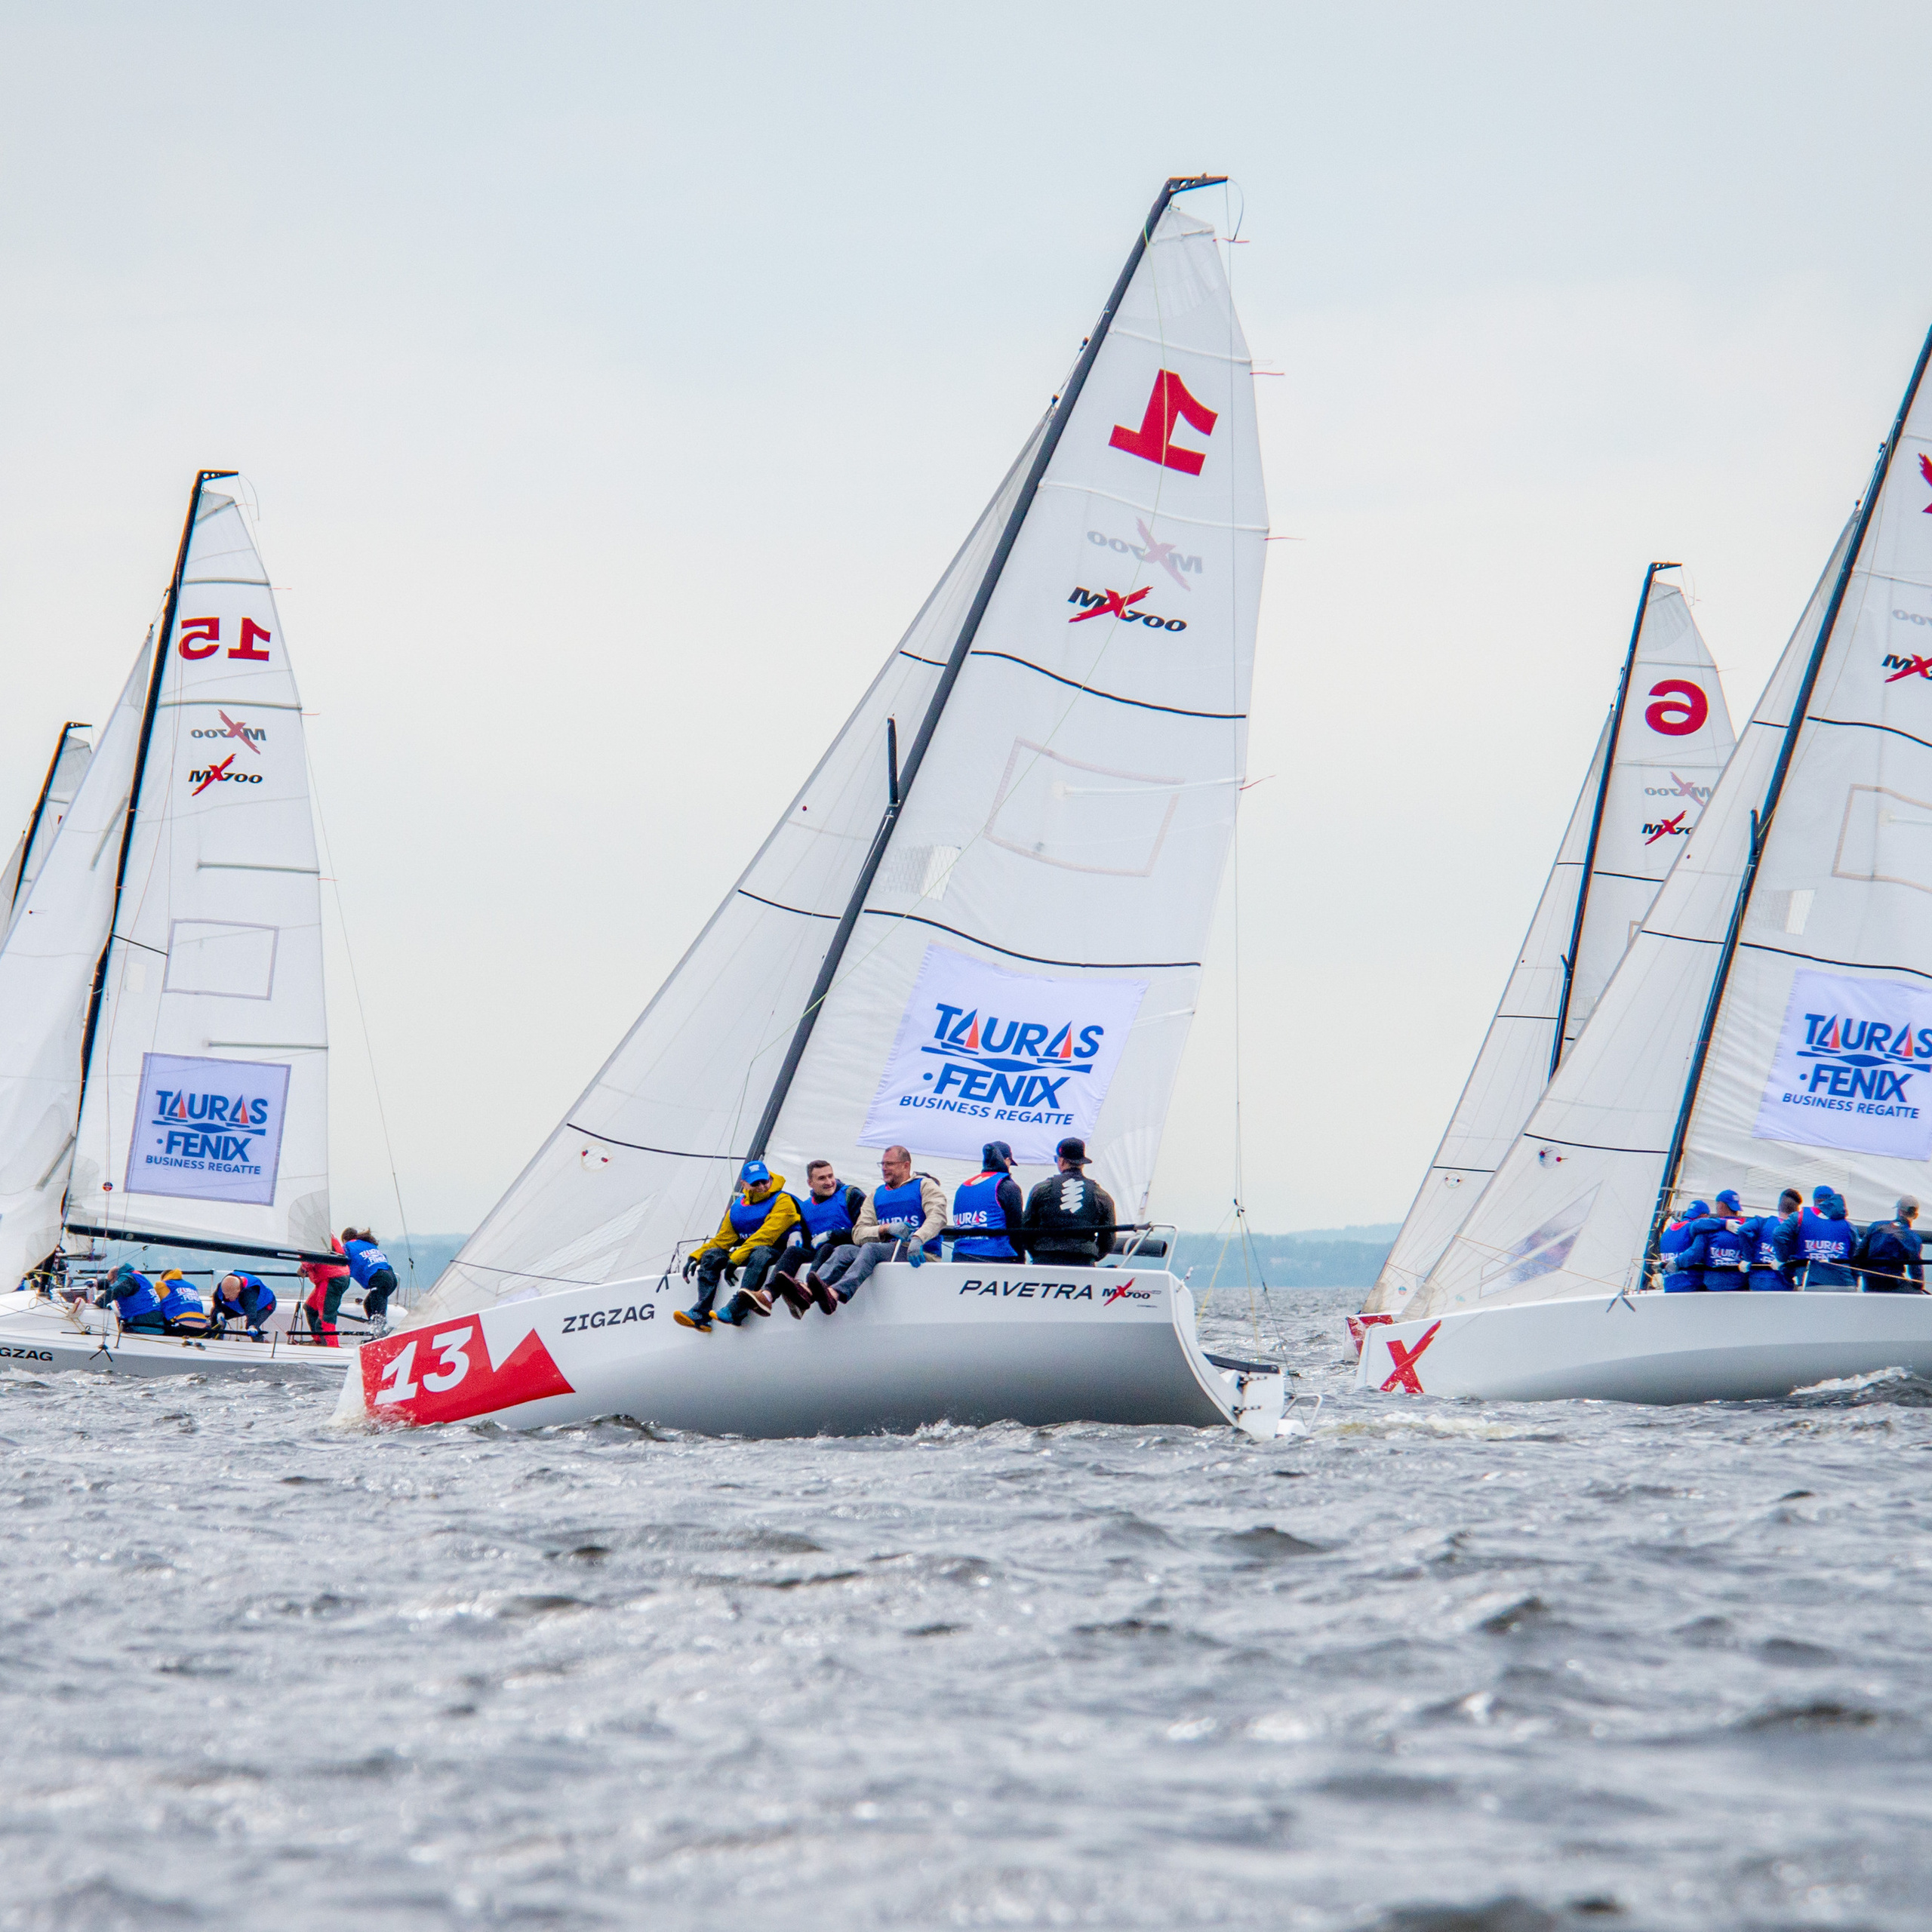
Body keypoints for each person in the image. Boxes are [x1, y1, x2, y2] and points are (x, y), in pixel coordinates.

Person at [805, 1146, 946, 1307]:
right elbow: (858, 1233)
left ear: (906, 1165)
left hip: (920, 1253)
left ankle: (836, 1294)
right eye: (883, 1164)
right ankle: (809, 1292)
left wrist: (918, 1237)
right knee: (843, 1250)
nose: (884, 1169)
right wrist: (885, 1229)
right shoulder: (876, 1194)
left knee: (871, 1249)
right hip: (887, 1251)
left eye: (890, 1164)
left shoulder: (924, 1185)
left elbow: (938, 1216)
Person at [677, 1160, 801, 1331]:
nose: (762, 1186)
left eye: (765, 1181)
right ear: (743, 1184)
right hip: (749, 1252)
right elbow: (722, 1241)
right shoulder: (737, 1208)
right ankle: (701, 1314)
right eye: (755, 1183)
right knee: (712, 1255)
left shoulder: (783, 1201)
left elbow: (765, 1236)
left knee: (760, 1252)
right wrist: (696, 1256)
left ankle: (737, 1309)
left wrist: (736, 1259)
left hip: (779, 1252)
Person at [764, 1160, 866, 1318]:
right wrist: (794, 1233)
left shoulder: (851, 1195)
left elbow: (865, 1231)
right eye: (822, 1179)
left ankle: (807, 1290)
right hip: (819, 1255)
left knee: (828, 1246)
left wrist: (832, 1235)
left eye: (830, 1176)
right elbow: (806, 1242)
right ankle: (768, 1295)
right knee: (793, 1252)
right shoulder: (806, 1207)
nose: (829, 1182)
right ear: (810, 1183)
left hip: (846, 1253)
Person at [1022, 1137, 1117, 1264]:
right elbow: (1108, 1240)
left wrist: (1038, 1253)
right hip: (1083, 1260)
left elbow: (1026, 1229)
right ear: (1082, 1163)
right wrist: (1091, 1254)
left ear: (1061, 1161)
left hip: (1046, 1258)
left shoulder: (1041, 1189)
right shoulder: (1101, 1195)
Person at [951, 1141, 1025, 1262]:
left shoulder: (964, 1186)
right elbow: (1016, 1228)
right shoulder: (1007, 1186)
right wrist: (1020, 1260)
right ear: (1006, 1161)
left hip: (960, 1256)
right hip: (995, 1258)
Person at [1739, 1189, 1804, 1291]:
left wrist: (1747, 1258)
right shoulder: (1797, 1229)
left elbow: (1743, 1230)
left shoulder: (1763, 1223)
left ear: (1779, 1207)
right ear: (1796, 1211)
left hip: (1758, 1280)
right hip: (1782, 1282)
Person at [1686, 1189, 1750, 1291]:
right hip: (1741, 1287)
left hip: (1713, 1287)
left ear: (1720, 1205)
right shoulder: (1749, 1228)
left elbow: (1694, 1253)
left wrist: (1676, 1263)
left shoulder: (1708, 1229)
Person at [1798, 1187, 1860, 1291]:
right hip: (1845, 1283)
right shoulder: (1849, 1226)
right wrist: (1855, 1279)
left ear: (1815, 1201)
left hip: (1815, 1284)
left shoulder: (1805, 1224)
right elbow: (1856, 1256)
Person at [1860, 1196, 1924, 1293]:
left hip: (1870, 1281)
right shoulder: (1913, 1238)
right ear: (1915, 1215)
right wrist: (1918, 1284)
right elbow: (1915, 1267)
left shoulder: (1876, 1226)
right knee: (1919, 1296)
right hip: (1893, 1283)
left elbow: (1859, 1254)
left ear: (1899, 1212)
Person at [342, 1228, 400, 1327]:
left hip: (379, 1279)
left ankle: (379, 1333)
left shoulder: (348, 1246)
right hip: (392, 1277)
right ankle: (376, 1331)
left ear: (344, 1240)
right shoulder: (368, 1244)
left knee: (378, 1316)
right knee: (368, 1304)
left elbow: (343, 1264)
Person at [301, 1236, 352, 1345]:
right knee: (310, 1308)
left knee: (326, 1316)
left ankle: (331, 1346)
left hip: (332, 1278)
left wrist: (303, 1269)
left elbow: (310, 1259)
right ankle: (318, 1340)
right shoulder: (325, 1234)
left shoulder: (311, 1235)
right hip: (335, 1275)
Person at [1658, 1201, 1710, 1291]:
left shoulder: (1667, 1231)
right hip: (1691, 1286)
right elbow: (1695, 1253)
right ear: (1704, 1216)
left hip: (1669, 1286)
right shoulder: (1695, 1229)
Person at [211, 1270, 278, 1339]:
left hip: (264, 1305)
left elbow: (251, 1311)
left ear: (238, 1290)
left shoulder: (249, 1293)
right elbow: (217, 1298)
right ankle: (215, 1338)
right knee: (215, 1314)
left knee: (253, 1327)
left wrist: (252, 1326)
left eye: (230, 1295)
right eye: (225, 1295)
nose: (227, 1297)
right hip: (238, 1305)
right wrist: (219, 1312)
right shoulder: (223, 1286)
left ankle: (261, 1344)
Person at [103, 1263, 164, 1332]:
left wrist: (99, 1302)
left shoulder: (127, 1279)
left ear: (115, 1278)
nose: (111, 1284)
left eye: (110, 1281)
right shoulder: (136, 1276)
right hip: (154, 1319)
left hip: (143, 1321)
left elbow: (114, 1290)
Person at [155, 1269, 211, 1335]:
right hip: (203, 1326)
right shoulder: (192, 1286)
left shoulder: (162, 1285)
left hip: (182, 1325)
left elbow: (152, 1303)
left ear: (163, 1278)